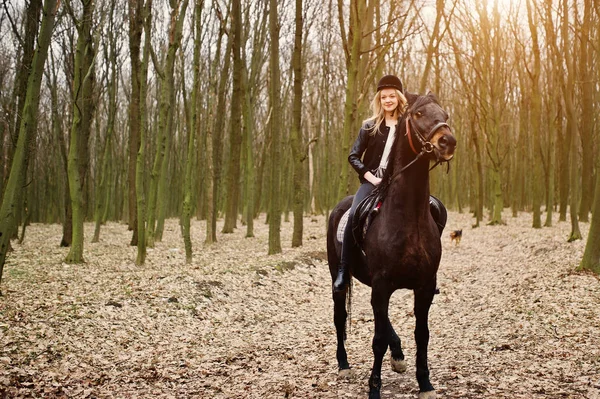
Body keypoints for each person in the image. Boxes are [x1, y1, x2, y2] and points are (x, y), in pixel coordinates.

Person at [333, 75, 407, 292]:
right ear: (379, 100)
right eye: (384, 97)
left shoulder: (407, 126)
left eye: (392, 96)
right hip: (372, 182)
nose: (388, 100)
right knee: (354, 214)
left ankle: (427, 272)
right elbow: (353, 156)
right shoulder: (369, 126)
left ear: (399, 98)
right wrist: (370, 176)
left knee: (431, 209)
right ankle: (343, 271)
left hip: (399, 184)